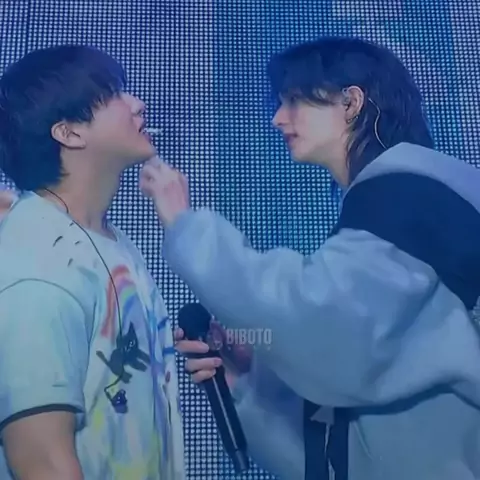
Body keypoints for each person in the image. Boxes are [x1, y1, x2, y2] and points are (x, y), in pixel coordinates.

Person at [139, 36, 480, 480]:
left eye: (295, 100)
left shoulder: (414, 195)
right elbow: (352, 422)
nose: (278, 118)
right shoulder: (395, 201)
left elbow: (328, 326)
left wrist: (187, 226)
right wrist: (249, 378)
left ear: (351, 102)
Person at [0, 45, 184, 480]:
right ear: (68, 133)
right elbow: (42, 459)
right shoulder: (37, 256)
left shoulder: (113, 243)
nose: (137, 104)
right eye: (115, 93)